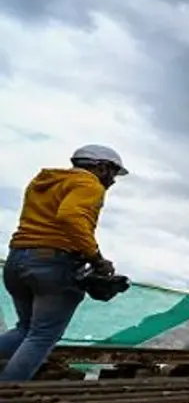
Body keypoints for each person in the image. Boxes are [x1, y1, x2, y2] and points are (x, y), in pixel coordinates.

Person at [1, 145, 128, 381]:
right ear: (101, 167)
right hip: (53, 264)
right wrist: (96, 258)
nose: (112, 181)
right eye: (113, 173)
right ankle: (6, 399)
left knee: (25, 329)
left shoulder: (43, 182)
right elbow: (70, 216)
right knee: (42, 335)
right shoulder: (89, 184)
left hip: (17, 260)